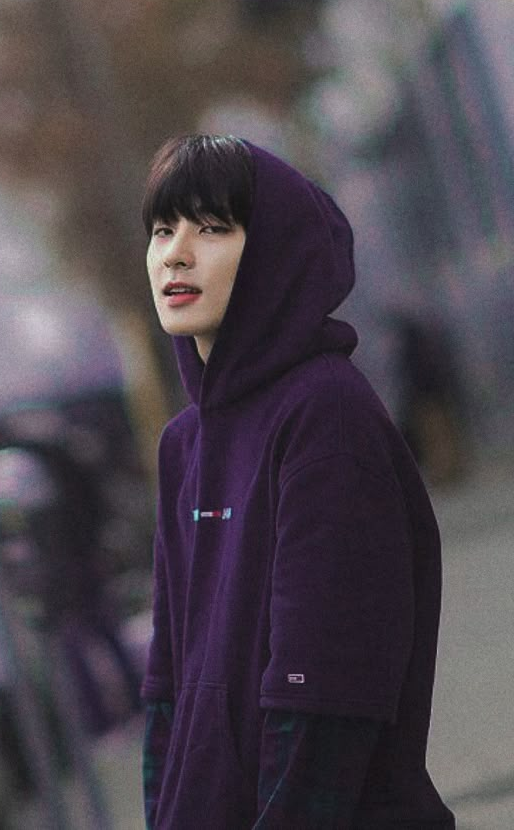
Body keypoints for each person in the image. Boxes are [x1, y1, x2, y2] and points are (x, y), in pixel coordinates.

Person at [140, 135, 455, 829]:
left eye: (213, 228)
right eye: (164, 229)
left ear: (276, 256)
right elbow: (167, 689)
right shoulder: (182, 447)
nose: (176, 253)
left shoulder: (325, 414)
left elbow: (325, 694)